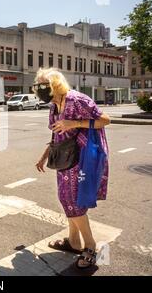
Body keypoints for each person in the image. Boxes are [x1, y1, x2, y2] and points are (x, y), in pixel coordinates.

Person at [34, 68, 111, 270]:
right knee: (67, 199)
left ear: (56, 85)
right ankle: (73, 241)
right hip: (64, 159)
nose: (40, 89)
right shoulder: (54, 106)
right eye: (38, 85)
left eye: (44, 85)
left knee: (73, 202)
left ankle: (90, 246)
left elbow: (105, 120)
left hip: (82, 157)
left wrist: (74, 122)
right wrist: (43, 156)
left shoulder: (78, 100)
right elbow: (56, 135)